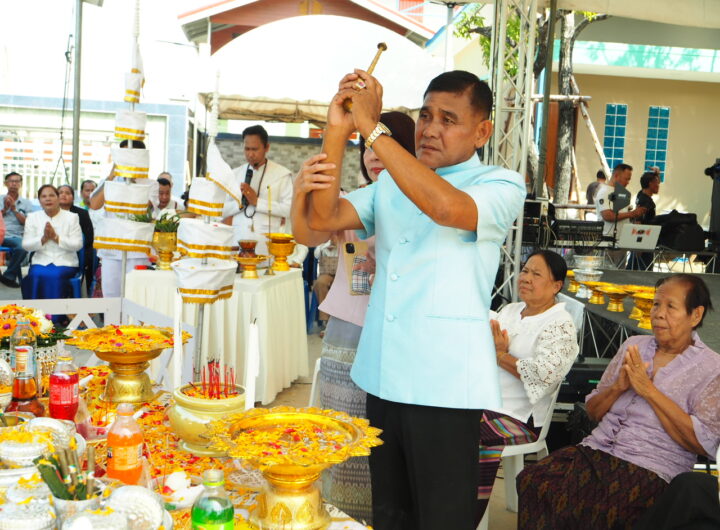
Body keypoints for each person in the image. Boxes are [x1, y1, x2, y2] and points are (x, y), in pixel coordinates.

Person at [295, 69, 526, 529]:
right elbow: (323, 217)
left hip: (444, 386)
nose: (430, 128)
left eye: (448, 118)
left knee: (441, 519)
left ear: (482, 131)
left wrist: (373, 128)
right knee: (391, 516)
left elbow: (446, 208)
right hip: (384, 374)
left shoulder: (500, 183)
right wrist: (338, 134)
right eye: (425, 115)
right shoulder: (391, 183)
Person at [517, 273, 720, 530]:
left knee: (598, 507)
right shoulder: (633, 345)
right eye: (656, 304)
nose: (658, 313)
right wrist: (618, 387)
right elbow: (592, 410)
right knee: (534, 479)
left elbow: (702, 443)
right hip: (597, 450)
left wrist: (649, 391)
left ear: (695, 315)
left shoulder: (711, 368)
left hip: (651, 466)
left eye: (671, 307)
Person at [293, 110, 416, 523]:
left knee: (379, 442)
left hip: (395, 336)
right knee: (341, 435)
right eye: (366, 146)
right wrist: (300, 193)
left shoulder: (420, 201)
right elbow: (308, 234)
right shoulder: (353, 201)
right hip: (346, 333)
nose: (373, 155)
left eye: (385, 143)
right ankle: (340, 515)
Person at [477, 250, 578, 523]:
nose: (525, 278)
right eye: (524, 270)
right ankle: (437, 504)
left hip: (521, 417)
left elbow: (544, 374)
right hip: (485, 402)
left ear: (556, 286)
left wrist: (500, 356)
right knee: (441, 419)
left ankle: (465, 515)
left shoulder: (560, 325)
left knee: (466, 435)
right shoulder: (510, 310)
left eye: (536, 274)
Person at [89, 140, 152, 297]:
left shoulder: (150, 184)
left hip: (137, 249)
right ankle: (113, 323)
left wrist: (133, 180)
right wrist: (111, 177)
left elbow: (147, 209)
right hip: (112, 248)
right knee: (111, 296)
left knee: (136, 297)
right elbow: (95, 204)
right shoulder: (110, 182)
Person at [222, 125, 293, 256]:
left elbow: (289, 209)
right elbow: (222, 209)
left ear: (267, 148)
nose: (250, 154)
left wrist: (257, 202)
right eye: (247, 149)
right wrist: (239, 204)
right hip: (238, 240)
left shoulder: (281, 175)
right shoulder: (235, 174)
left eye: (255, 149)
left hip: (266, 242)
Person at [20, 184, 83, 300]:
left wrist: (56, 238)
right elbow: (26, 245)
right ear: (39, 201)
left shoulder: (72, 217)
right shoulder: (33, 217)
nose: (48, 199)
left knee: (55, 275)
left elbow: (77, 245)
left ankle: (56, 317)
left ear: (58, 198)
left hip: (65, 262)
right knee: (35, 275)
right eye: (43, 196)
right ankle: (36, 315)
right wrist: (43, 239)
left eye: (51, 195)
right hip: (41, 261)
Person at [58, 185, 94, 291]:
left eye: (67, 193)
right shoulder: (49, 212)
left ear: (73, 198)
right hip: (54, 250)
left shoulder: (82, 214)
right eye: (60, 192)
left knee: (90, 255)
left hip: (77, 251)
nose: (64, 195)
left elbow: (88, 237)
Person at [0, 172, 31, 288]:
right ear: (5, 183)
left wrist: (14, 209)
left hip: (15, 236)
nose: (14, 184)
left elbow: (28, 223)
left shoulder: (26, 203)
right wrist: (4, 209)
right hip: (0, 233)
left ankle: (9, 275)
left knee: (23, 246)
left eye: (17, 181)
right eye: (11, 181)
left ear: (21, 184)